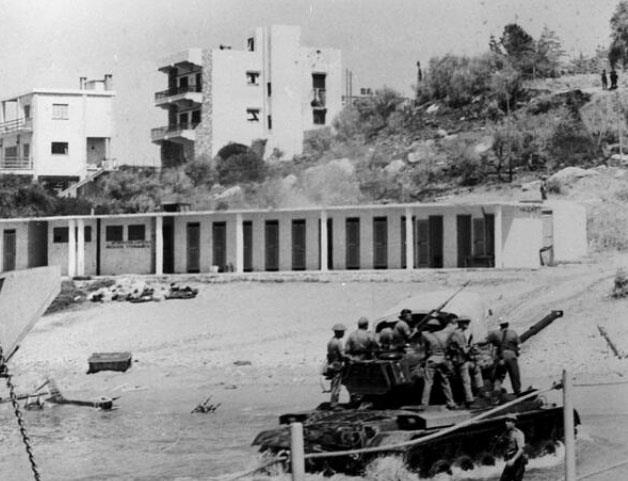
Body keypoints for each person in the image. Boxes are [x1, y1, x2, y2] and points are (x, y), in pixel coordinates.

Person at [448, 317, 484, 407]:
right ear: (460, 324)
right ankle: (469, 400)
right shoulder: (457, 334)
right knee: (466, 380)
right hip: (460, 360)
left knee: (476, 369)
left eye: (467, 322)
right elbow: (464, 350)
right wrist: (472, 347)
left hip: (464, 360)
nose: (467, 325)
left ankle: (480, 391)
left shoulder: (460, 333)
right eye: (465, 323)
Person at [420, 318, 456, 409]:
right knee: (445, 382)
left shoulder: (425, 335)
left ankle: (424, 404)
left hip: (432, 360)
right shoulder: (444, 335)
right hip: (443, 360)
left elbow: (425, 351)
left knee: (428, 382)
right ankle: (451, 402)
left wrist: (423, 361)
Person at [487, 319, 522, 395]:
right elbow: (519, 345)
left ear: (500, 325)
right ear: (507, 324)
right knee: (514, 374)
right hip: (511, 356)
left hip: (501, 357)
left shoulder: (495, 333)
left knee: (498, 375)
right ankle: (517, 391)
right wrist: (517, 353)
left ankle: (496, 389)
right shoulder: (513, 333)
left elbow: (485, 341)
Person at [499, 413, 527, 481]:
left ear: (513, 423)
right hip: (510, 460)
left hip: (518, 461)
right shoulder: (506, 433)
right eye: (506, 421)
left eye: (508, 421)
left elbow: (521, 449)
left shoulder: (518, 433)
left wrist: (513, 460)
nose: (506, 423)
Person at [325, 323, 347, 406]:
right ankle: (334, 404)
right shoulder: (338, 343)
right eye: (342, 332)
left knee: (334, 384)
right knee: (336, 386)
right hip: (337, 365)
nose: (343, 333)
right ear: (339, 332)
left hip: (331, 364)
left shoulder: (330, 342)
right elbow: (342, 355)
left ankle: (333, 402)